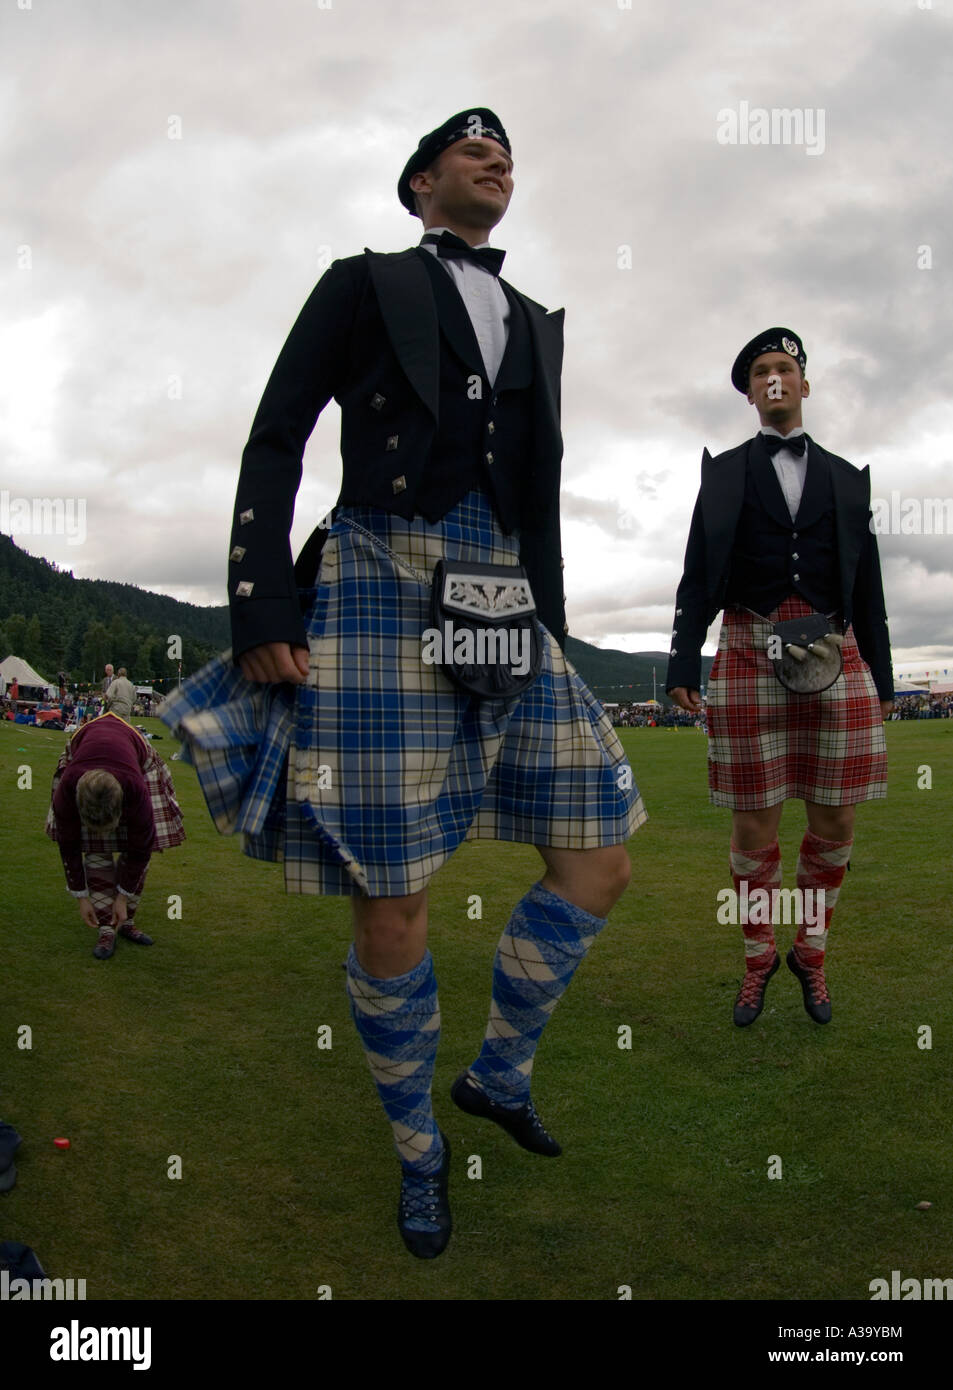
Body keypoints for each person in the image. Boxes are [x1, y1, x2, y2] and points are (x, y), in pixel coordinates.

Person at [161, 108, 646, 1259]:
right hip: (379, 571)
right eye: (471, 150)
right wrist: (260, 604)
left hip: (505, 590)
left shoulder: (534, 322)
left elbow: (537, 492)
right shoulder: (361, 280)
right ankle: (417, 1147)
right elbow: (274, 438)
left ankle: (495, 1073)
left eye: (510, 152)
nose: (497, 159)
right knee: (394, 894)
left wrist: (559, 631)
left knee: (600, 856)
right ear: (421, 180)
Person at [666, 329, 893, 1027]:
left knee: (834, 820)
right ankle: (758, 956)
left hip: (834, 648)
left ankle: (811, 952)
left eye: (784, 368)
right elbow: (698, 571)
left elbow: (869, 585)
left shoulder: (846, 478)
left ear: (803, 384)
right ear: (748, 390)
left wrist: (881, 677)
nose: (774, 378)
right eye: (761, 370)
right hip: (744, 647)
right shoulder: (723, 473)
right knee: (751, 831)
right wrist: (680, 657)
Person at [46, 711, 185, 959]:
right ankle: (106, 929)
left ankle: (126, 922)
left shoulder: (135, 788)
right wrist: (81, 896)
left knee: (140, 849)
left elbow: (140, 850)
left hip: (136, 755)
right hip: (84, 748)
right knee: (97, 851)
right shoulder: (68, 787)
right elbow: (68, 844)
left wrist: (122, 898)